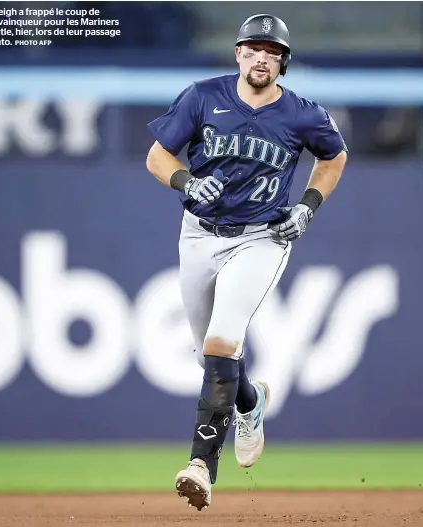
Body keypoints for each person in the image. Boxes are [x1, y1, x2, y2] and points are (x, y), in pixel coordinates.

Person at [146, 13, 348, 511]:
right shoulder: (202, 96)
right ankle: (250, 402)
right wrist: (186, 182)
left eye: (273, 51)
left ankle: (200, 466)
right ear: (238, 53)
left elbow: (334, 157)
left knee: (221, 342)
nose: (263, 56)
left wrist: (307, 206)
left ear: (283, 62)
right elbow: (157, 156)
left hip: (263, 237)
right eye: (254, 47)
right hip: (199, 234)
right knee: (208, 358)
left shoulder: (303, 113)